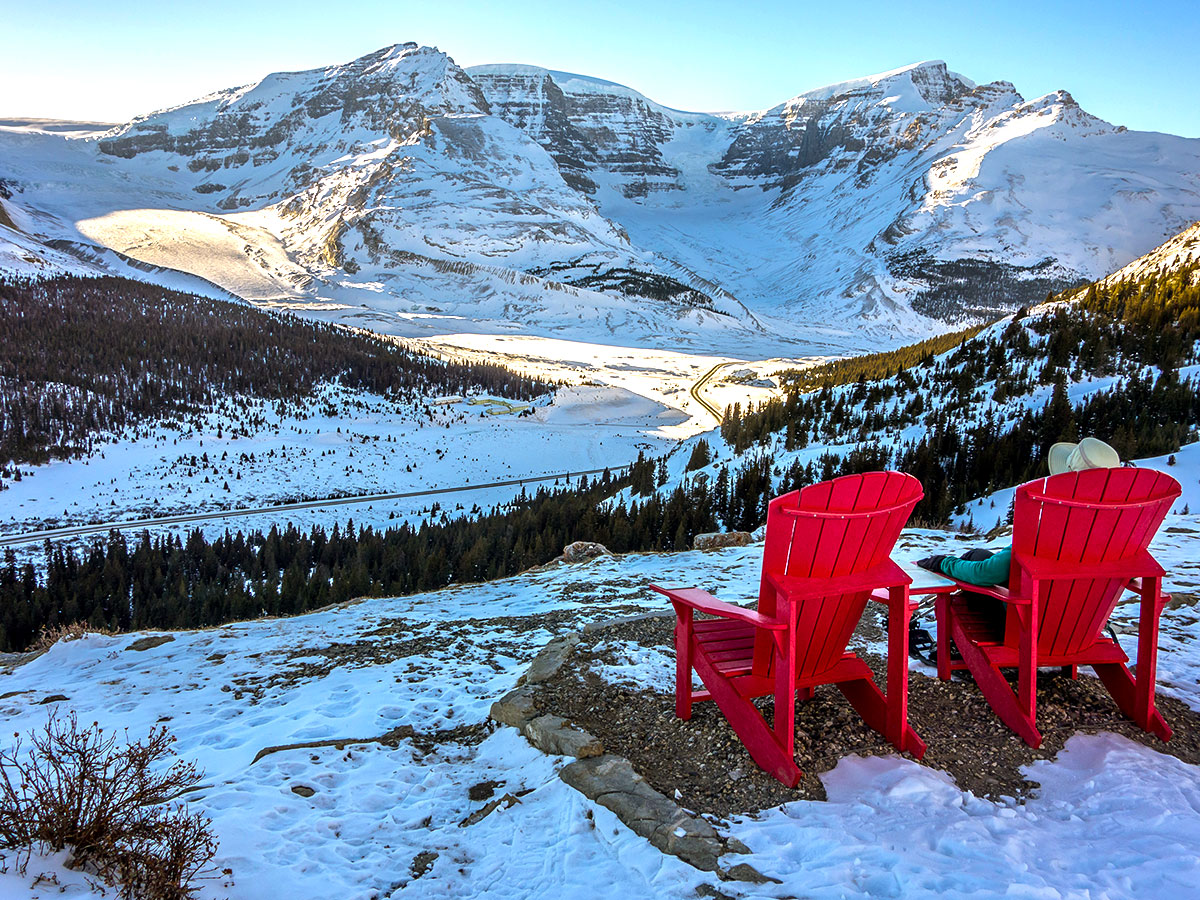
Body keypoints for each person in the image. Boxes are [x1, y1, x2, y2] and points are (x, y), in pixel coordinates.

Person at [916, 437, 1123, 587]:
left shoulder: (1051, 530)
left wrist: (943, 563)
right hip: (1079, 628)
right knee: (976, 555)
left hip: (1027, 628)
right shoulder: (1117, 538)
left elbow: (986, 574)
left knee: (974, 566)